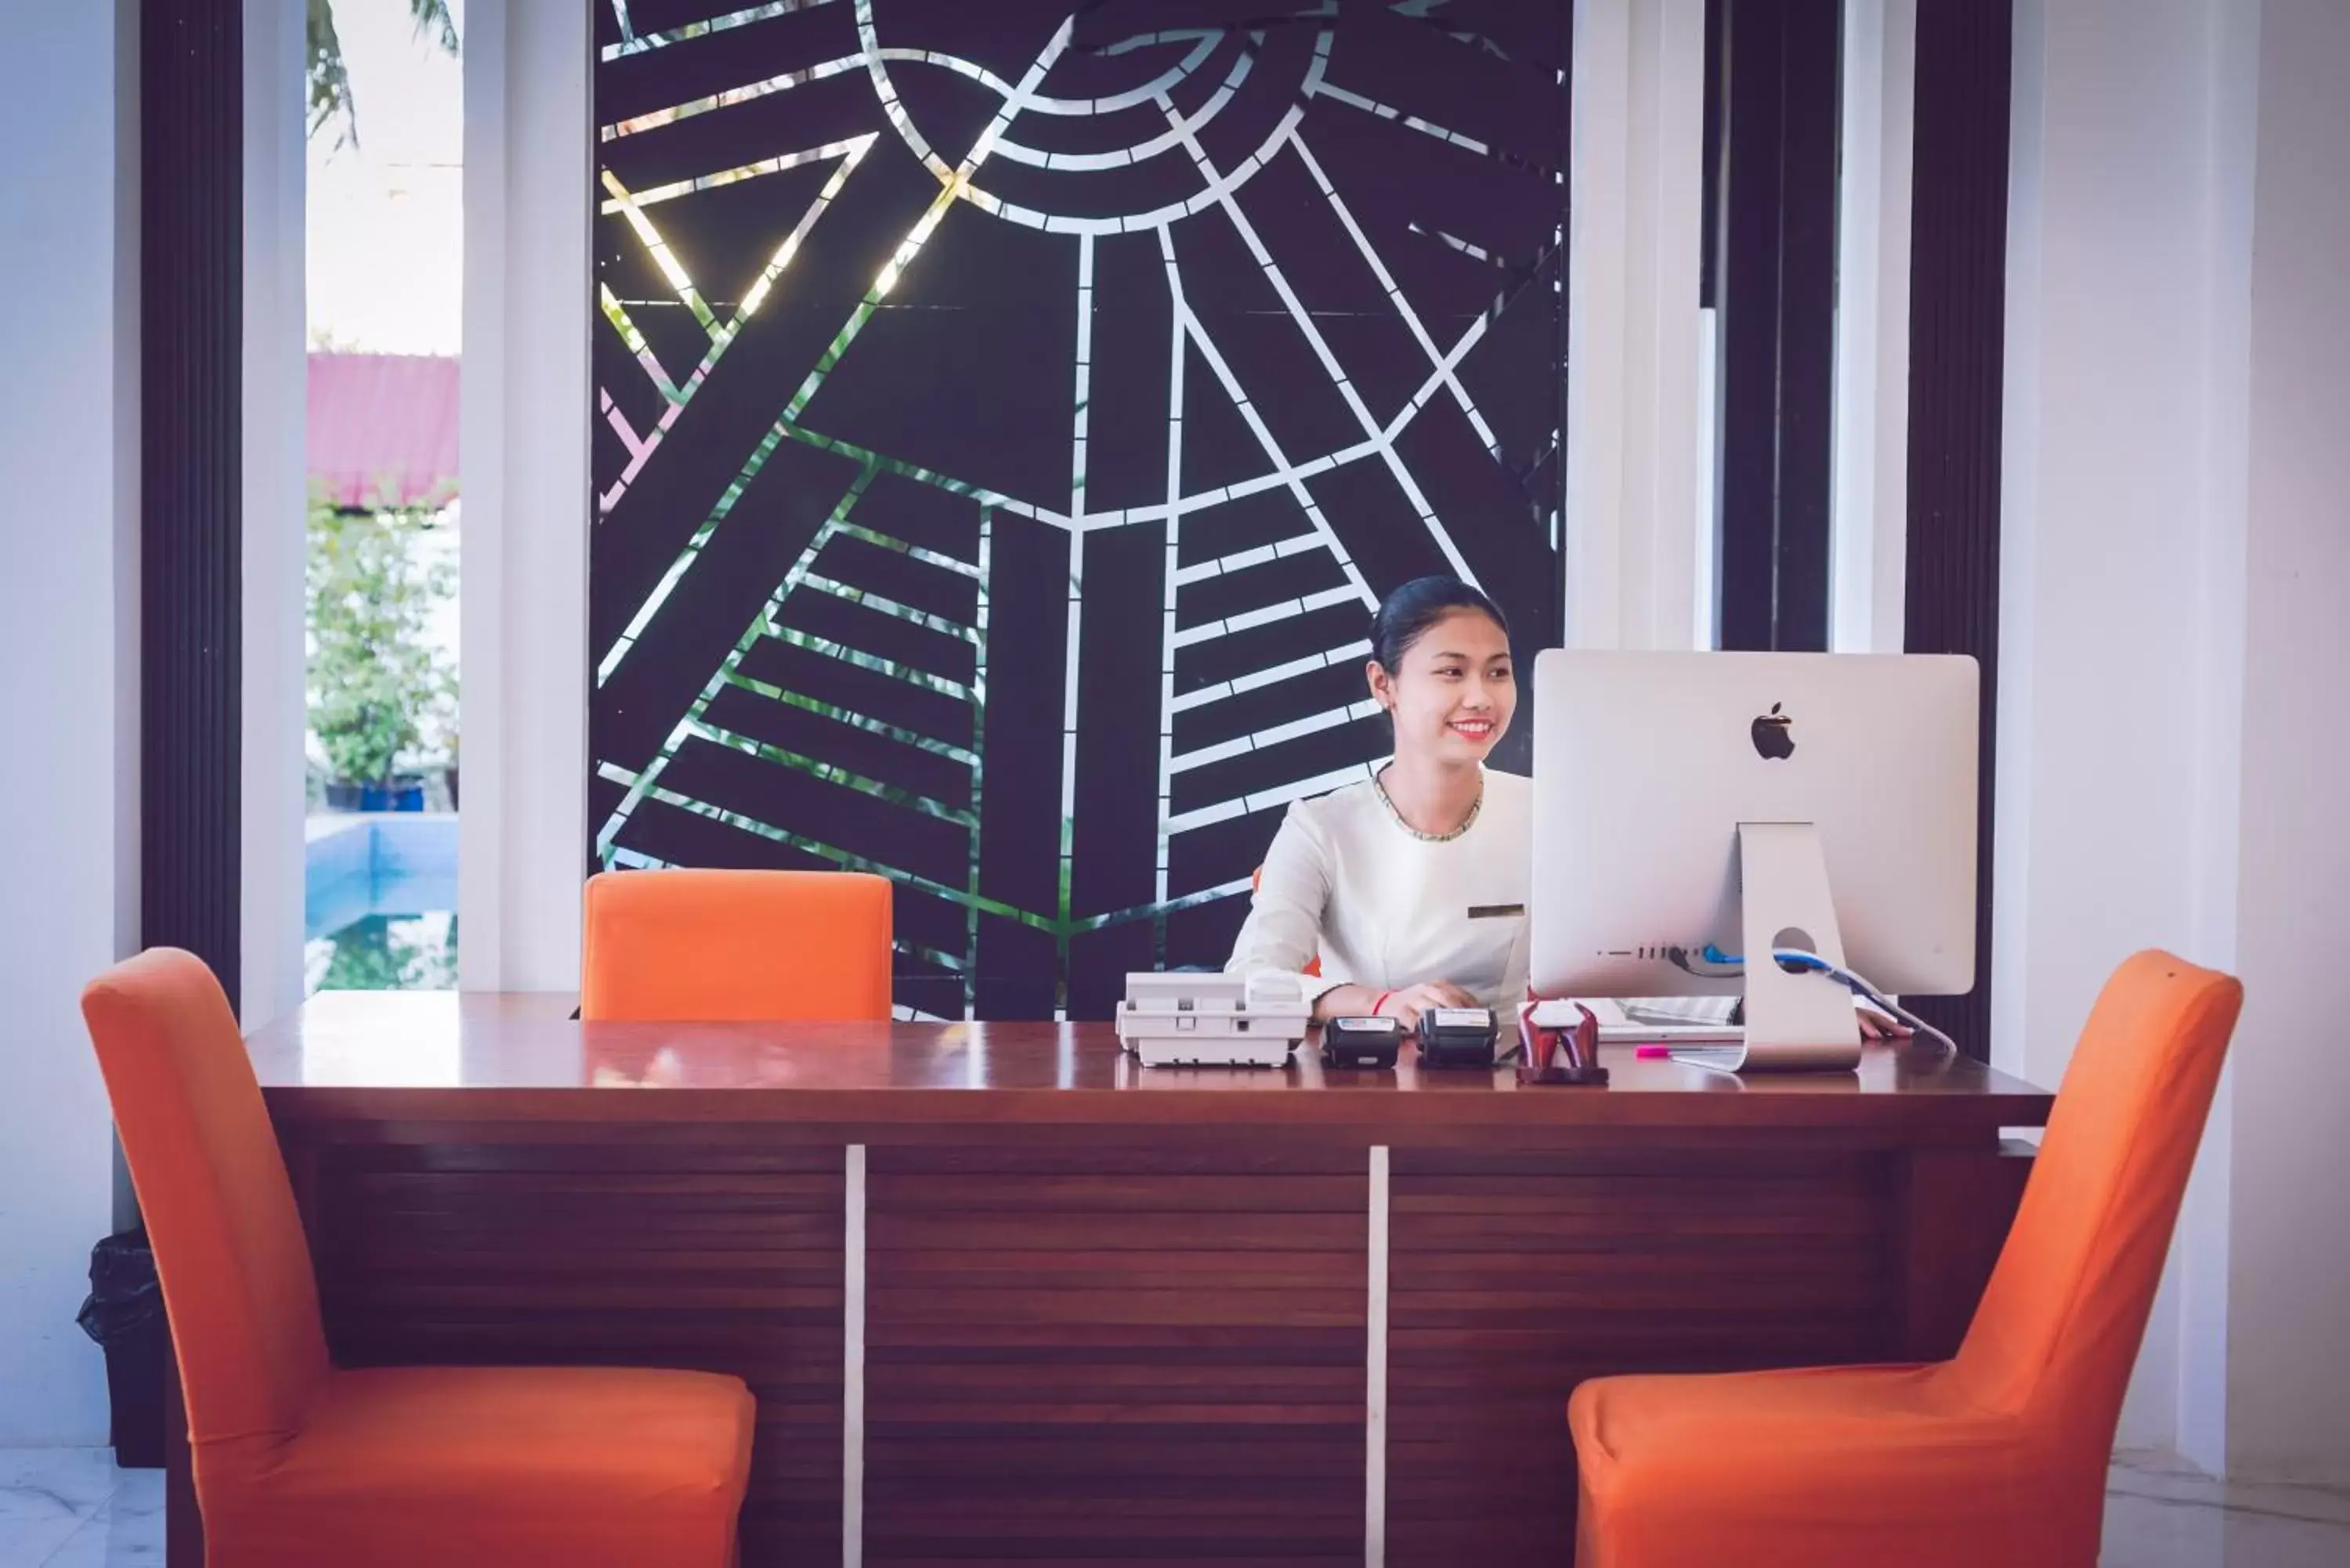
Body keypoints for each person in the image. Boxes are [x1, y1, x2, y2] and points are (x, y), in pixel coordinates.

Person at [1225, 575, 1904, 1037]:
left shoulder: (1553, 812)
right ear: (1384, 685)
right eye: (1451, 671)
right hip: (1370, 1095)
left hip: (1518, 1098)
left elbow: (1633, 963)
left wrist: (1779, 1009)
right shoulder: (1320, 827)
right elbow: (1253, 980)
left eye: (1498, 670)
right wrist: (1378, 1004)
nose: (1481, 698)